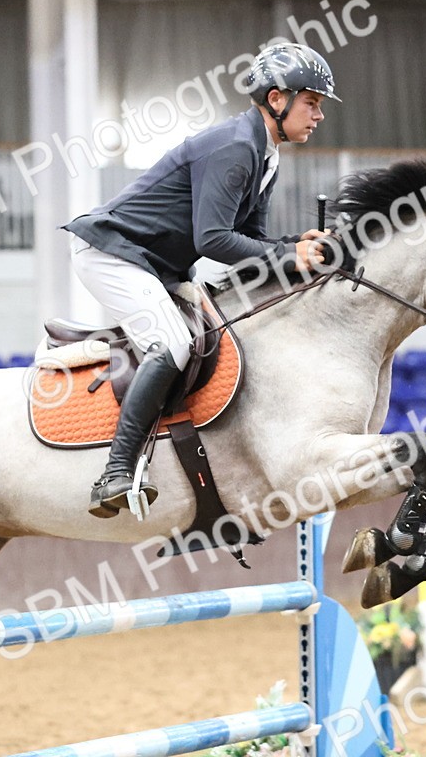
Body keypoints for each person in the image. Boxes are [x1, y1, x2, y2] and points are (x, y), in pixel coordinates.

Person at [64, 42, 339, 518]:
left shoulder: (264, 152)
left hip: (156, 263)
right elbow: (213, 240)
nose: (318, 116)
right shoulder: (236, 147)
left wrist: (298, 246)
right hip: (114, 254)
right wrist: (287, 255)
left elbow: (250, 240)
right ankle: (116, 471)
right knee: (172, 345)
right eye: (312, 103)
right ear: (278, 100)